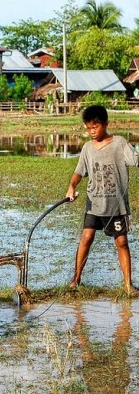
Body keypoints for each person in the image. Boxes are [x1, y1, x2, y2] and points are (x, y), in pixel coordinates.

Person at [66, 104, 138, 295]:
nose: (92, 131)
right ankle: (76, 279)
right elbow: (79, 172)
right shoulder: (88, 148)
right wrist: (72, 186)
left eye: (95, 127)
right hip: (94, 202)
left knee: (121, 241)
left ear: (106, 124)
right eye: (89, 127)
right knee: (86, 238)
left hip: (116, 206)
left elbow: (135, 160)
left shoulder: (120, 143)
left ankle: (128, 285)